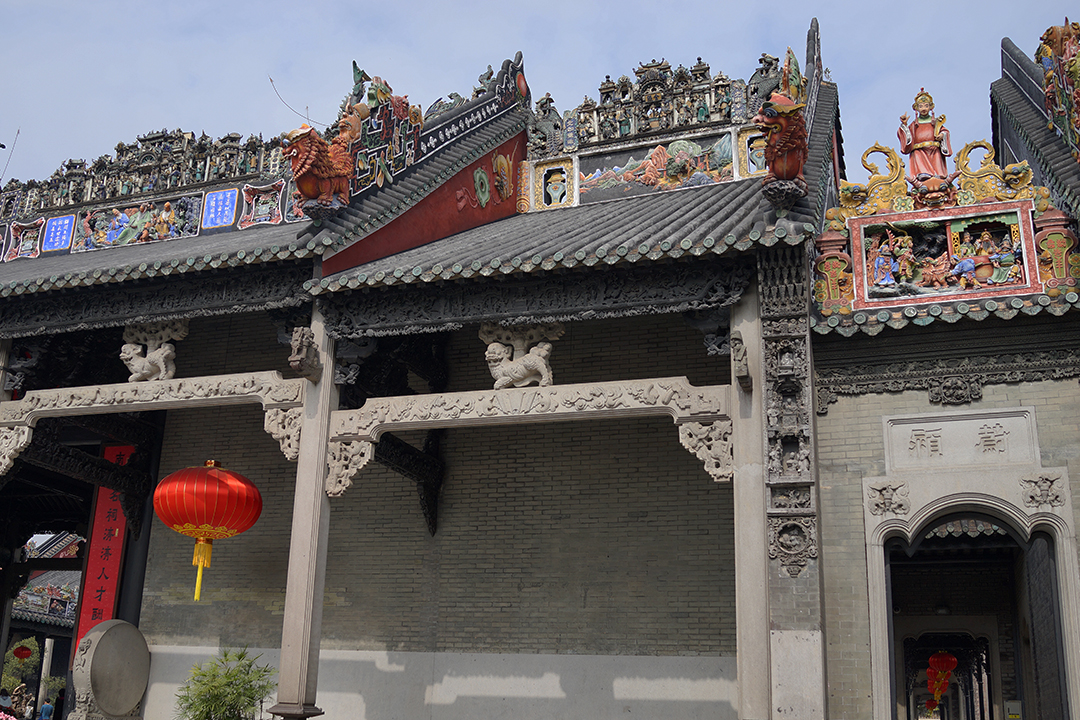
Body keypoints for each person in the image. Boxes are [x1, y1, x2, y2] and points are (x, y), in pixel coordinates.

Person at [898, 88, 952, 178]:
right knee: (917, 154)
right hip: (920, 150)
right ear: (917, 108)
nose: (923, 108)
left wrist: (942, 135)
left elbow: (945, 131)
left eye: (926, 106)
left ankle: (938, 174)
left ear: (930, 107)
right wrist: (904, 124)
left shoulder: (936, 122)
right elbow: (907, 136)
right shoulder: (914, 124)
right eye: (921, 106)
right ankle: (923, 173)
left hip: (934, 148)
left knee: (937, 157)